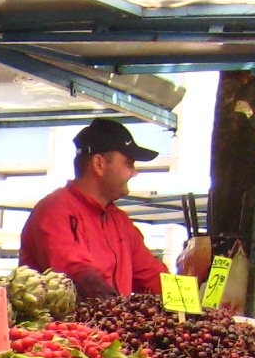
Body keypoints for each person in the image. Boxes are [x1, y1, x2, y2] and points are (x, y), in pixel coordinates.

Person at [18, 119, 175, 300]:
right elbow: (75, 273)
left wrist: (193, 298)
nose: (134, 172)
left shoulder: (120, 221)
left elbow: (152, 276)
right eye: (129, 163)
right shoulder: (55, 211)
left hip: (109, 324)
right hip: (66, 327)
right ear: (99, 163)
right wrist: (115, 309)